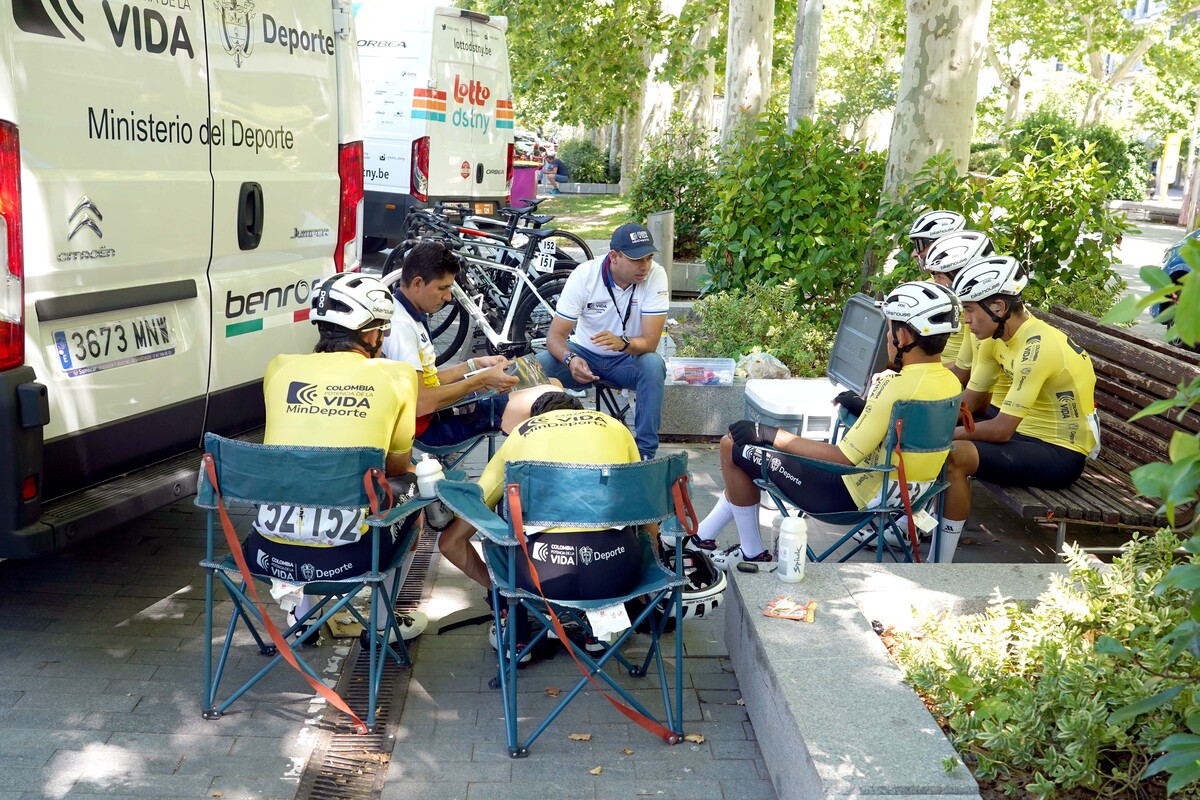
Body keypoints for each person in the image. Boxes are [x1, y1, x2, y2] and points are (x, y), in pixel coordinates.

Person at [693, 281, 964, 570]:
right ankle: (701, 539)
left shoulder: (894, 386)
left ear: (902, 335)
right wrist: (865, 408)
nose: (887, 336)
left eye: (889, 328)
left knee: (733, 445)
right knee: (749, 455)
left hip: (847, 497)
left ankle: (751, 553)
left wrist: (769, 433)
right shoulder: (950, 382)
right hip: (907, 497)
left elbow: (842, 457)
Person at [244, 273, 429, 643]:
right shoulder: (397, 376)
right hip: (350, 557)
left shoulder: (279, 367)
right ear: (372, 333)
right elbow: (394, 469)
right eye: (383, 330)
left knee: (307, 481)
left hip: (266, 551)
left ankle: (303, 616)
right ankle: (380, 623)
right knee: (412, 490)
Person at [381, 240, 560, 577]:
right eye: (443, 288)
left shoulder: (407, 312)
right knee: (545, 399)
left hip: (432, 414)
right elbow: (421, 401)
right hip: (427, 428)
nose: (449, 297)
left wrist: (475, 365)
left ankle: (532, 504)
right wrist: (481, 381)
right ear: (417, 283)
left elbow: (428, 381)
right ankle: (535, 508)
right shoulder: (402, 327)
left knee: (548, 389)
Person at [940, 255, 1099, 563]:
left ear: (998, 307)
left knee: (953, 454)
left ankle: (940, 561)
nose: (965, 320)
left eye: (970, 310)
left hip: (1059, 452)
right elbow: (968, 404)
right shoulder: (991, 339)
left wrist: (940, 435)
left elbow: (1000, 430)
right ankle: (913, 525)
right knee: (930, 438)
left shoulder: (1038, 346)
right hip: (1021, 436)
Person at [439, 391, 645, 597]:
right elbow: (647, 502)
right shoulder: (614, 427)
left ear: (536, 418)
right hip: (619, 571)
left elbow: (458, 533)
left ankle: (506, 602)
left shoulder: (520, 434)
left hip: (541, 578)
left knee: (502, 523)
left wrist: (497, 586)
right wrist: (651, 564)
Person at [535, 222, 669, 460]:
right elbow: (555, 336)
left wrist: (624, 343)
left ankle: (645, 454)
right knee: (537, 366)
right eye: (637, 260)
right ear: (614, 257)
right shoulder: (585, 275)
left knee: (653, 364)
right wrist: (570, 358)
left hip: (628, 360)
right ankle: (539, 449)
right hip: (584, 355)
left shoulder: (656, 275)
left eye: (648, 258)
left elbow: (649, 343)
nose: (645, 266)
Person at [922, 231, 994, 377]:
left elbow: (967, 377)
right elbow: (962, 369)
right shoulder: (973, 312)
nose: (936, 284)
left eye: (940, 277)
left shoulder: (986, 319)